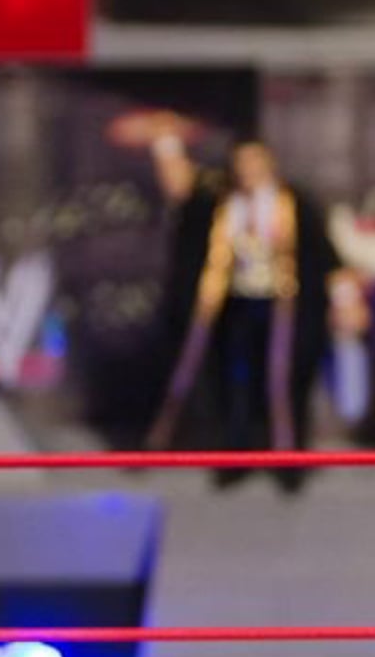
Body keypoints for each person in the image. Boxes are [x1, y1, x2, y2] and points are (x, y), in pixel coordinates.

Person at [138, 121, 340, 491]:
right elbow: (182, 193)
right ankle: (235, 455)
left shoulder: (294, 203)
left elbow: (322, 256)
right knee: (233, 383)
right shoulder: (218, 204)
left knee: (284, 382)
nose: (248, 171)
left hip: (283, 308)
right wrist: (167, 145)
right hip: (234, 306)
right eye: (242, 163)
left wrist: (341, 297)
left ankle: (288, 459)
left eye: (255, 162)